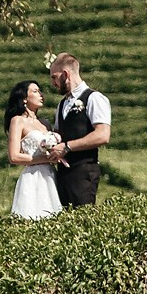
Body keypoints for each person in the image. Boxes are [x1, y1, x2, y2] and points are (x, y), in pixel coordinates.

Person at [48, 53, 111, 208]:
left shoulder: (94, 98)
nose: (53, 82)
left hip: (83, 171)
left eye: (54, 77)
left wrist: (68, 146)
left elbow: (102, 135)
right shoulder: (61, 104)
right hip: (63, 173)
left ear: (66, 74)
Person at [3, 79, 64, 219]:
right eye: (35, 91)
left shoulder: (45, 123)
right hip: (33, 176)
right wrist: (45, 158)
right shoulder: (18, 121)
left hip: (50, 173)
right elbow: (14, 156)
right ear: (24, 98)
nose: (41, 95)